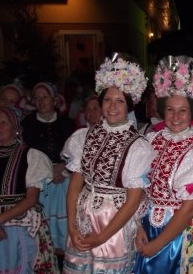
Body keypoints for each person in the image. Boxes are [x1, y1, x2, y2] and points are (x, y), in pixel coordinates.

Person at [61, 55, 155, 273]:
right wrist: (71, 226)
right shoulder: (84, 136)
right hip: (82, 217)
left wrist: (102, 237)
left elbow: (132, 202)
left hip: (114, 222)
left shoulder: (138, 145)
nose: (112, 106)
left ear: (129, 105)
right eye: (107, 100)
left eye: (120, 101)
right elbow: (75, 185)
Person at [134, 55, 193, 273]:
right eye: (170, 109)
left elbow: (189, 208)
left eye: (183, 110)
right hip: (146, 226)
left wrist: (158, 243)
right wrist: (137, 226)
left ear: (192, 113)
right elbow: (139, 188)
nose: (175, 116)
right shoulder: (152, 140)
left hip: (177, 236)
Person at [0, 107, 58, 273]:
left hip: (19, 227)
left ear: (15, 128)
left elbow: (31, 199)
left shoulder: (32, 156)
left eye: (3, 122)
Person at [20, 81, 76, 267]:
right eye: (37, 98)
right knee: (44, 232)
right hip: (40, 182)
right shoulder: (27, 125)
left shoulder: (67, 123)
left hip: (64, 179)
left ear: (54, 100)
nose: (41, 101)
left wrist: (63, 168)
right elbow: (24, 154)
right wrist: (48, 172)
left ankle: (66, 265)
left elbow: (76, 151)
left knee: (66, 228)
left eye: (45, 97)